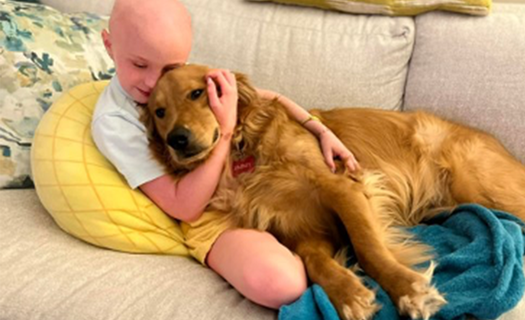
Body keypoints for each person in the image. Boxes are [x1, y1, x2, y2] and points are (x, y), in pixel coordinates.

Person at [91, 0, 359, 309]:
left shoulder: (181, 77)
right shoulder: (113, 122)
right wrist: (226, 131)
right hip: (209, 213)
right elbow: (185, 207)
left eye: (170, 68)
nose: (154, 83)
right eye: (139, 65)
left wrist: (321, 131)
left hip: (247, 183)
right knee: (281, 284)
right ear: (109, 45)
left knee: (325, 199)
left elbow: (265, 95)